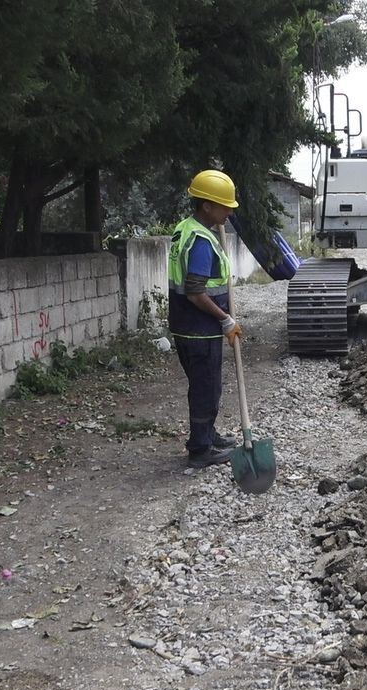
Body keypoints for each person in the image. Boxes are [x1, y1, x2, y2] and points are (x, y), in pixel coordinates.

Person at [168, 169, 244, 469]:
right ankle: (200, 448)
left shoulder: (185, 228)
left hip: (185, 326)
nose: (229, 211)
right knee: (206, 387)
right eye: (225, 205)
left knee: (203, 383)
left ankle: (208, 434)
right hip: (200, 329)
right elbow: (195, 292)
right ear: (207, 206)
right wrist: (225, 319)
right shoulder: (200, 240)